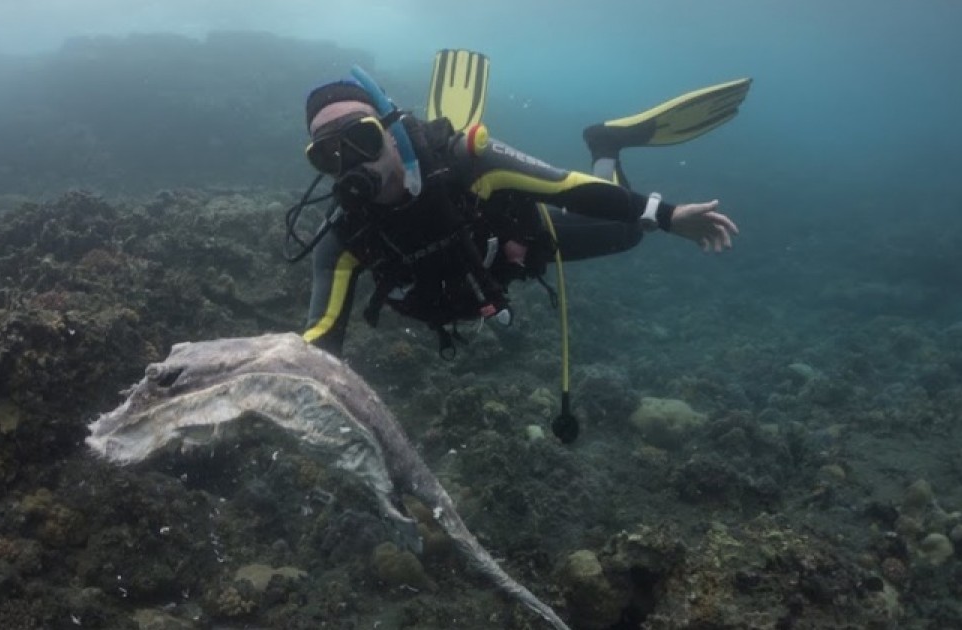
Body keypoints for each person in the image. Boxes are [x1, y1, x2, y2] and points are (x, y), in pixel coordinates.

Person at [285, 50, 749, 442]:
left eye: (362, 139)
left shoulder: (464, 162)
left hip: (525, 240)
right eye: (328, 155)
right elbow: (321, 337)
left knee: (627, 233)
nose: (352, 165)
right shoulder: (345, 236)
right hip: (470, 285)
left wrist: (662, 215)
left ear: (391, 132)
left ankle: (606, 144)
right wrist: (289, 385)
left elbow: (566, 187)